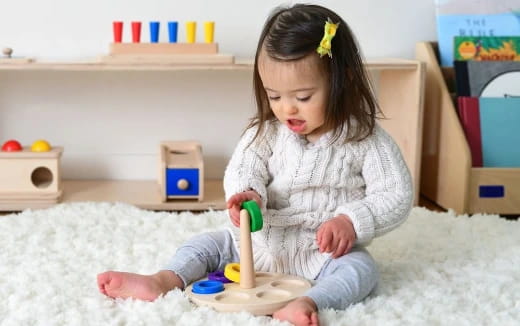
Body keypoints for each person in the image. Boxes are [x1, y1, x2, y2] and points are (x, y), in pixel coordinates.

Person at [97, 4, 413, 326]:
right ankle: (163, 280)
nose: (287, 108)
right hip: (257, 245)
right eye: (274, 96)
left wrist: (351, 220)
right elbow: (244, 167)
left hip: (323, 254)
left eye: (303, 97)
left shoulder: (365, 139)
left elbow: (396, 195)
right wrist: (247, 193)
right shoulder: (265, 133)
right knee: (207, 245)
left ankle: (308, 302)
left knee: (361, 270)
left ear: (341, 80)